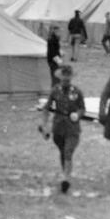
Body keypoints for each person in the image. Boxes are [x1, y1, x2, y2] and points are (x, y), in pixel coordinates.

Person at [42, 65, 86, 194]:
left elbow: (82, 108)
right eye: (64, 78)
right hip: (59, 127)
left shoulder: (77, 92)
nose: (66, 81)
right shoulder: (55, 91)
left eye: (68, 78)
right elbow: (46, 108)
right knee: (63, 152)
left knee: (68, 151)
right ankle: (65, 174)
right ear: (60, 78)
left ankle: (66, 179)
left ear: (71, 78)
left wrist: (77, 114)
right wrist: (45, 125)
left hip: (72, 128)